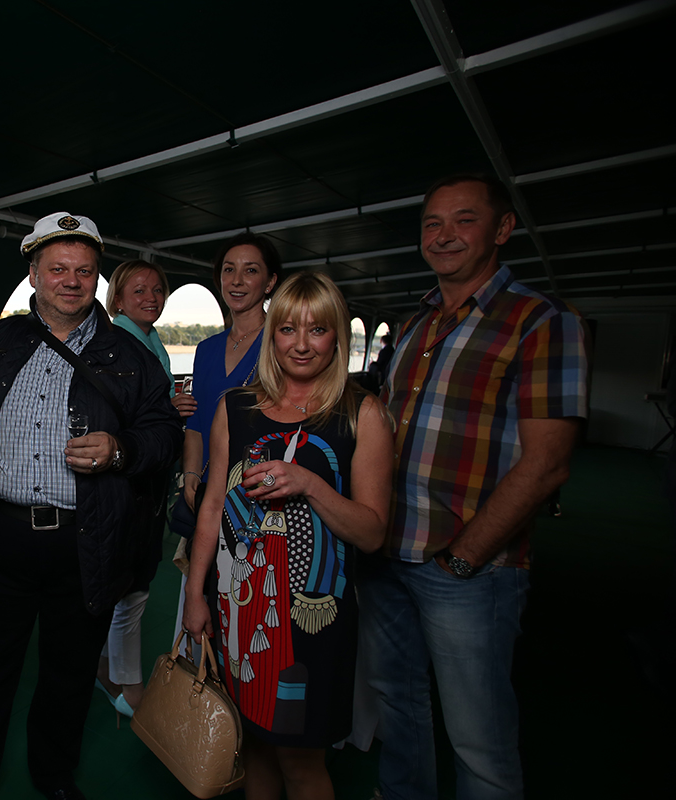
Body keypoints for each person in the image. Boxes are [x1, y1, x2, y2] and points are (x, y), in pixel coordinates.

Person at [0, 212, 183, 800]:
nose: (71, 281)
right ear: (33, 273)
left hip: (86, 540)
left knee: (68, 673)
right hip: (1, 535)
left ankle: (53, 776)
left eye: (84, 271)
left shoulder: (131, 355)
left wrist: (120, 449)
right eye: (58, 269)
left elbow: (164, 436)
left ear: (97, 278)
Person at [364, 174, 589, 800]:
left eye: (464, 219)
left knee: (478, 734)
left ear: (502, 228)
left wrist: (465, 557)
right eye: (432, 223)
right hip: (387, 553)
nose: (444, 235)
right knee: (397, 704)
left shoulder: (541, 322)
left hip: (468, 565)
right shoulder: (414, 324)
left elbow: (548, 464)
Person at [182, 271, 393, 800]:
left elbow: (372, 534)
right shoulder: (236, 407)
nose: (301, 344)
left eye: (317, 330)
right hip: (238, 606)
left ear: (337, 336)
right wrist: (194, 595)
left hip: (314, 618)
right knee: (252, 744)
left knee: (301, 761)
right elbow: (212, 506)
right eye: (288, 329)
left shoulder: (362, 414)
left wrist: (309, 483)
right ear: (271, 334)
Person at [95, 260, 196, 718]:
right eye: (139, 290)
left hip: (145, 481)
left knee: (125, 583)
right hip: (126, 482)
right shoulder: (118, 344)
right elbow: (117, 417)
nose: (151, 298)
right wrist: (169, 409)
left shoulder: (149, 341)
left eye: (158, 290)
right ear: (117, 299)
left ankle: (104, 667)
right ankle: (127, 683)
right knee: (132, 588)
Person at [173, 232, 281, 641]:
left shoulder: (280, 343)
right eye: (228, 270)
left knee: (248, 615)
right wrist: (190, 476)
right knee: (197, 610)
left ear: (270, 282)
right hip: (206, 495)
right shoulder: (206, 348)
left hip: (255, 496)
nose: (236, 280)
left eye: (250, 270)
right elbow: (197, 424)